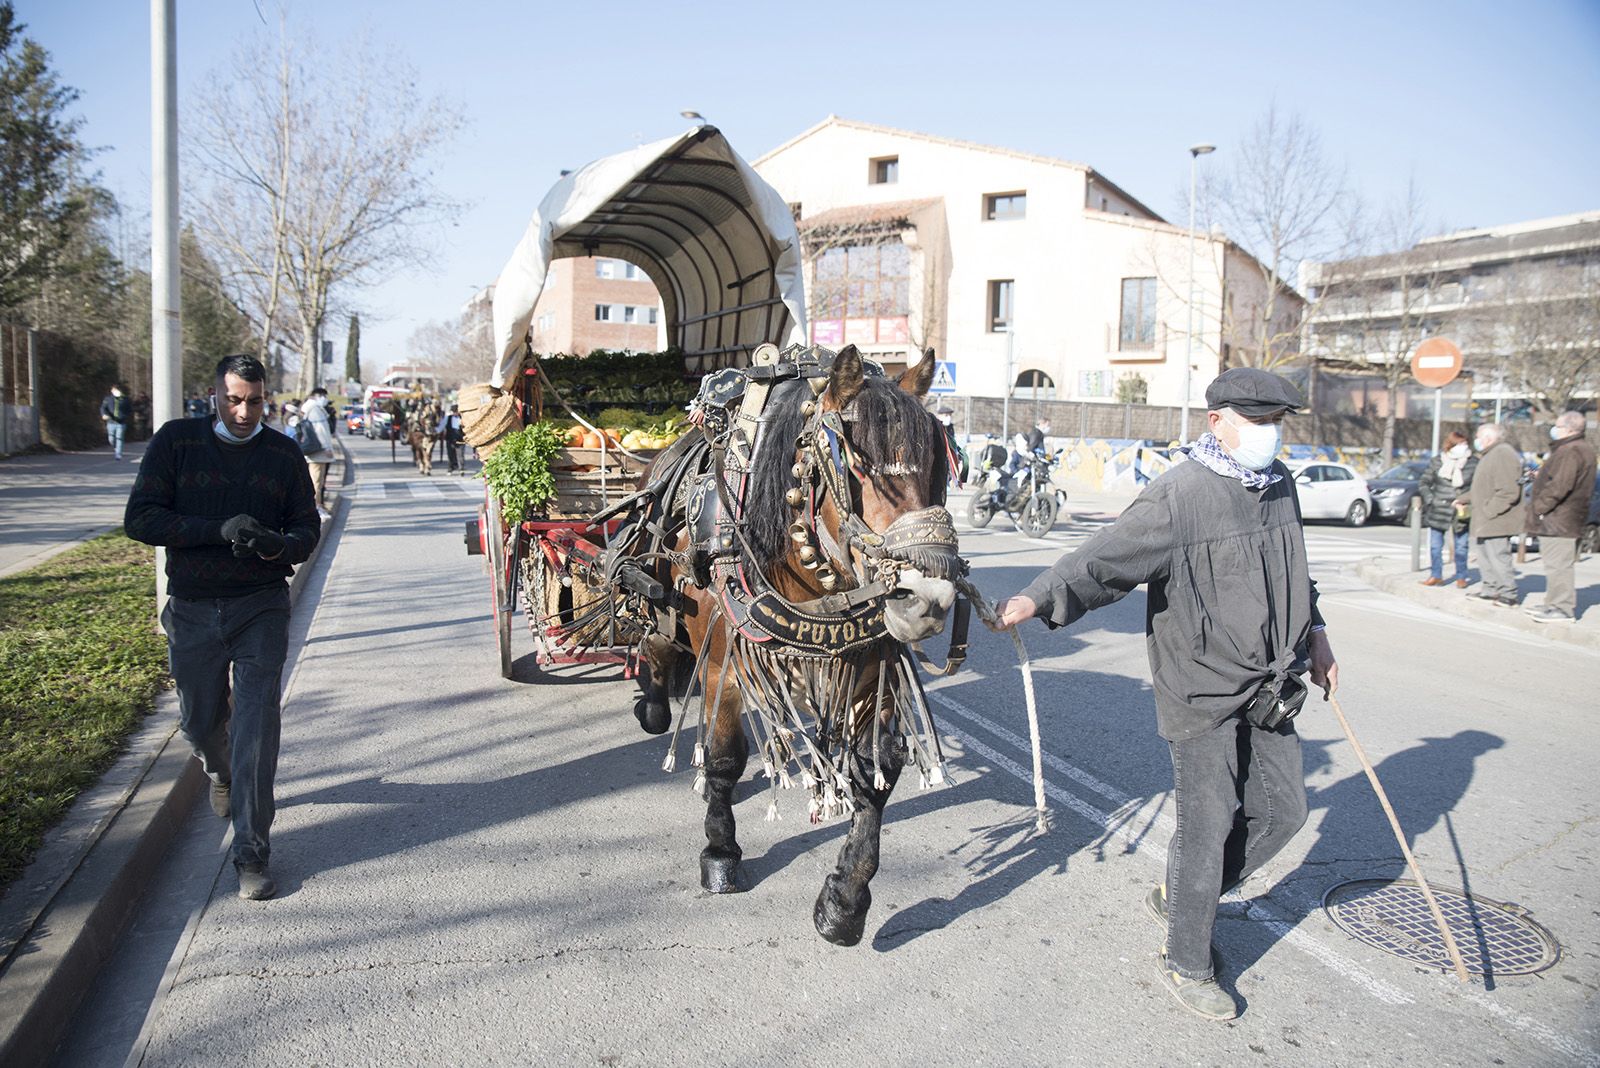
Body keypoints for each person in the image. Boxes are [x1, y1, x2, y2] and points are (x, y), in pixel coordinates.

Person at [994, 367, 1337, 1021]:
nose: (1269, 434)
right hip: (1199, 686)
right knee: (1206, 827)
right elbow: (1104, 558)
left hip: (1273, 680)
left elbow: (1298, 572)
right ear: (1218, 422)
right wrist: (1036, 597)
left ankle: (1187, 895)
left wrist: (1316, 635)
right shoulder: (1179, 495)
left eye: (1276, 423)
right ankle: (1188, 960)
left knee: (1285, 811)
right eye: (1257, 422)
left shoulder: (1281, 485)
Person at [124, 354, 320, 901]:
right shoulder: (177, 443)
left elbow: (307, 527)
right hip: (192, 608)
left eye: (254, 401)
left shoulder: (282, 453)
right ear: (214, 395)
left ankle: (251, 852)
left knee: (257, 730)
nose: (244, 411)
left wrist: (280, 544)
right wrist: (218, 529)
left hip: (259, 606)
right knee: (200, 722)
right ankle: (218, 770)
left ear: (266, 398)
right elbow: (140, 518)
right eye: (234, 399)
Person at [1523, 411, 1597, 622]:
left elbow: (1560, 486)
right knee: (1554, 564)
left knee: (1559, 565)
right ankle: (1552, 603)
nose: (1554, 430)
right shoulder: (1577, 449)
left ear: (1570, 429)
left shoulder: (1571, 451)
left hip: (1560, 518)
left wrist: (1538, 507)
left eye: (1558, 426)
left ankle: (1562, 608)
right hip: (1563, 517)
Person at [1458, 423, 1523, 608]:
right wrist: (1464, 498)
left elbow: (1509, 491)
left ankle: (1508, 594)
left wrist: (1489, 510)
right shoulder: (1489, 455)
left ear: (1488, 438)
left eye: (1478, 437)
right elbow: (1483, 488)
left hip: (1496, 518)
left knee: (1498, 556)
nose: (1476, 441)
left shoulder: (1503, 453)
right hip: (1485, 518)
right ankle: (1490, 589)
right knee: (1485, 556)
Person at [1418, 430, 1475, 588]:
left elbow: (1477, 485)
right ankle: (1436, 575)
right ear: (1451, 445)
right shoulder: (1438, 461)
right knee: (1435, 545)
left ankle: (1461, 576)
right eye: (1460, 444)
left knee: (1461, 546)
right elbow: (1424, 482)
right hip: (1439, 508)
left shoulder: (1472, 462)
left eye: (1465, 444)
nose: (1464, 447)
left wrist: (1466, 499)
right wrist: (1430, 499)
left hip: (1461, 508)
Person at [300, 387, 337, 515]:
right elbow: (320, 430)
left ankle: (318, 504)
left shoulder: (311, 408)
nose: (325, 399)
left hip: (316, 450)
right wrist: (327, 447)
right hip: (318, 451)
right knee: (316, 480)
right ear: (317, 395)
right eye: (324, 396)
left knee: (319, 480)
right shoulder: (314, 409)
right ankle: (315, 507)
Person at [934, 403, 968, 483]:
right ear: (939, 416)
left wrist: (957, 453)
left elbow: (952, 439)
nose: (948, 418)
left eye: (950, 415)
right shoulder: (935, 426)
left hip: (949, 452)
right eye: (946, 415)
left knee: (965, 459)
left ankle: (958, 480)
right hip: (938, 453)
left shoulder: (950, 427)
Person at [100, 384, 130, 460]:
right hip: (111, 422)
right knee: (111, 438)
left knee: (119, 437)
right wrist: (104, 414)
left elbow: (129, 410)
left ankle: (118, 454)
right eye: (113, 390)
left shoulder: (125, 399)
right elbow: (103, 408)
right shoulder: (108, 399)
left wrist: (124, 416)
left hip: (121, 422)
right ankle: (115, 448)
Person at [438, 403, 466, 474]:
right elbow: (441, 426)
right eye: (453, 411)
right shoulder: (448, 418)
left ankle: (461, 469)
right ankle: (450, 468)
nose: (455, 413)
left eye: (456, 411)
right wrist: (436, 431)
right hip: (450, 439)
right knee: (450, 455)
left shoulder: (462, 418)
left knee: (460, 455)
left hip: (460, 440)